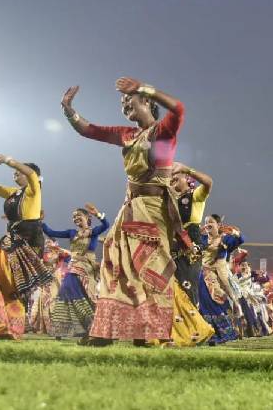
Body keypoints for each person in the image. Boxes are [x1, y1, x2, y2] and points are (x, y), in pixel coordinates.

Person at [61, 77, 186, 346]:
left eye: (128, 98)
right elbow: (90, 130)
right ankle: (107, 331)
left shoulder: (163, 133)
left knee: (149, 268)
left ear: (147, 102)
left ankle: (150, 333)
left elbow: (179, 110)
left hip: (153, 212)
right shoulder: (127, 135)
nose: (124, 103)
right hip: (130, 209)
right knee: (116, 266)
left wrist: (144, 87)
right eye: (121, 101)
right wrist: (69, 111)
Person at [0, 155, 51, 339]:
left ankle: (8, 329)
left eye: (19, 172)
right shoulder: (14, 193)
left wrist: (8, 160)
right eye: (14, 173)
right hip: (11, 241)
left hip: (27, 241)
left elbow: (30, 173)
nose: (15, 174)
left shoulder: (34, 190)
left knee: (11, 285)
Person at [42, 204, 109, 339]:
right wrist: (38, 220)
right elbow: (51, 232)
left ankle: (93, 325)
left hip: (87, 267)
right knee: (66, 290)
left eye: (78, 215)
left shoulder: (93, 232)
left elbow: (106, 225)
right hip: (73, 266)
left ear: (87, 217)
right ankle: (64, 329)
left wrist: (98, 214)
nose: (75, 218)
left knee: (85, 294)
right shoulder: (72, 233)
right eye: (73, 217)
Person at [170, 162, 213, 305]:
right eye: (170, 178)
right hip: (171, 252)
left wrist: (187, 169)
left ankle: (193, 326)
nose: (172, 179)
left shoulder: (195, 196)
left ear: (187, 179)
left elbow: (208, 183)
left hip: (190, 251)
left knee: (187, 291)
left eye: (177, 177)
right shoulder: (169, 203)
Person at [197, 215, 244, 344]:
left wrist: (235, 232)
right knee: (204, 303)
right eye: (206, 222)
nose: (207, 224)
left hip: (220, 274)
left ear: (218, 224)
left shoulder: (225, 239)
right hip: (204, 275)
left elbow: (240, 239)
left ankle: (224, 332)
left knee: (217, 301)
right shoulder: (203, 239)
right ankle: (207, 333)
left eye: (211, 222)